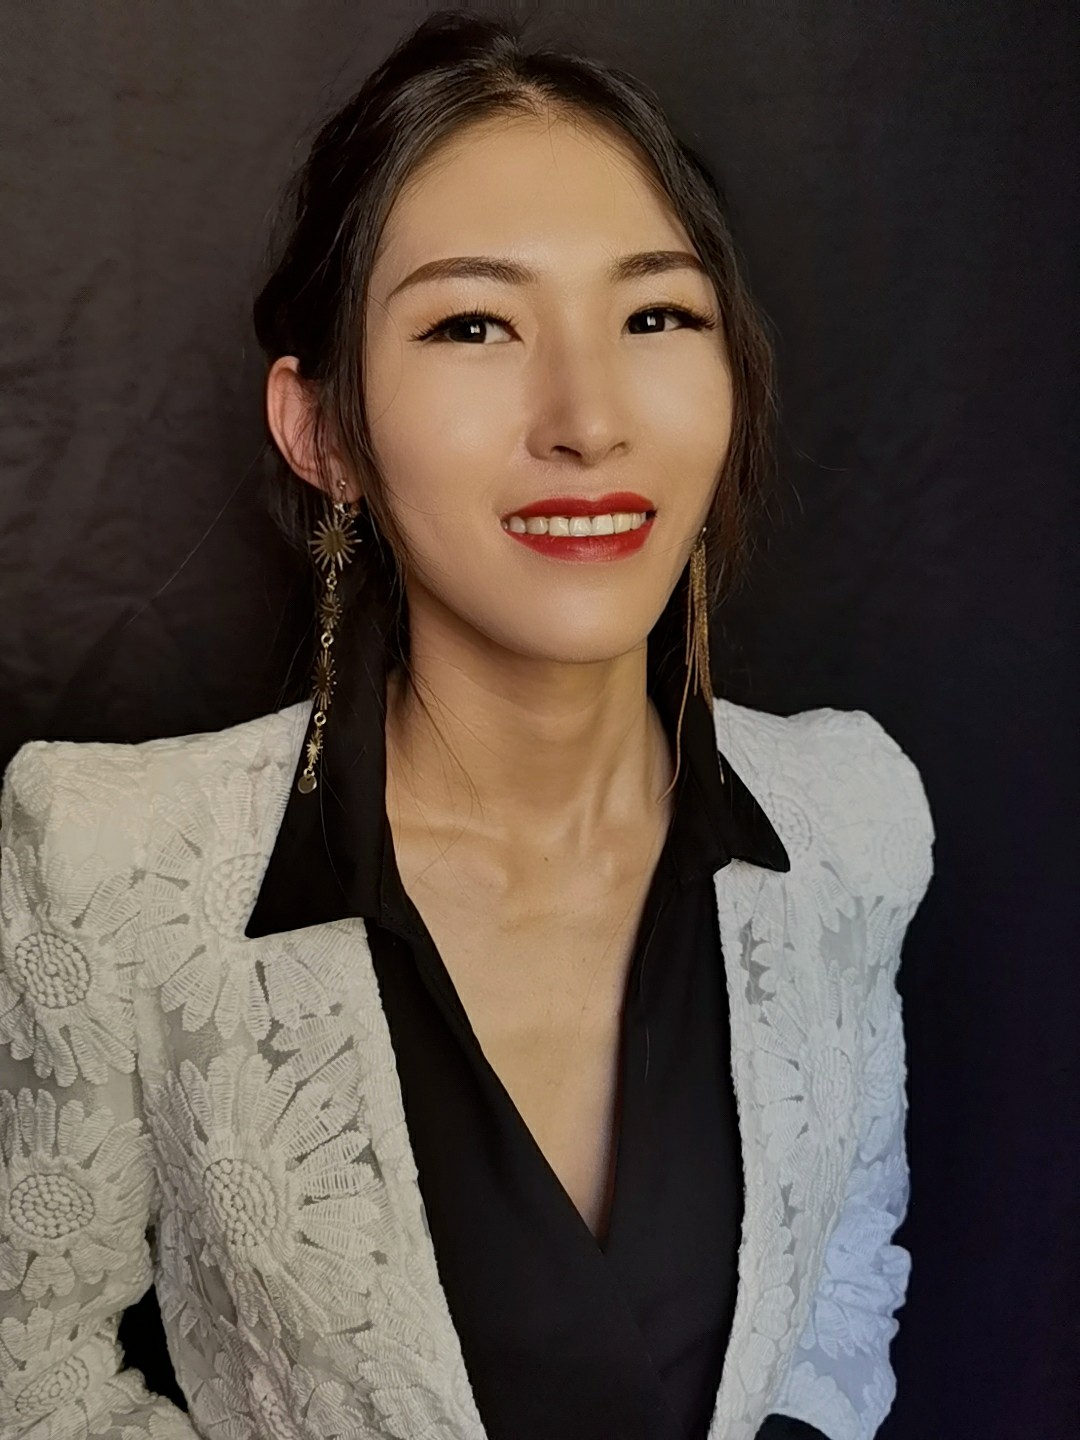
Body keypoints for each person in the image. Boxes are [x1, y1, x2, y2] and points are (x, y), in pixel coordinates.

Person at [0, 11, 934, 1440]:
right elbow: (32, 1370)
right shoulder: (116, 866)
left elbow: (847, 1280)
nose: (588, 418)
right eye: (473, 325)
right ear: (322, 430)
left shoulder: (850, 819)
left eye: (656, 316)